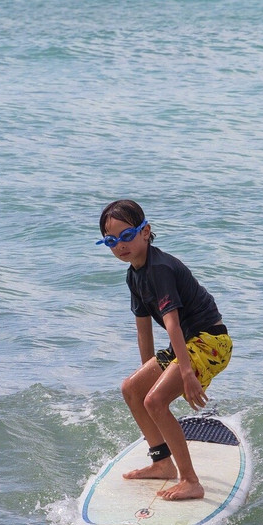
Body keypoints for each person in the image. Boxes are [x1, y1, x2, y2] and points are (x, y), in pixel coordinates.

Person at [98, 199, 233, 501]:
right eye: (111, 241)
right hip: (184, 344)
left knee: (155, 401)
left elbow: (171, 322)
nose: (120, 245)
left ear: (145, 232)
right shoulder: (134, 275)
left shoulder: (159, 269)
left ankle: (190, 481)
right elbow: (143, 328)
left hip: (210, 341)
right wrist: (149, 373)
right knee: (132, 389)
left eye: (127, 236)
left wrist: (185, 373)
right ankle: (162, 462)